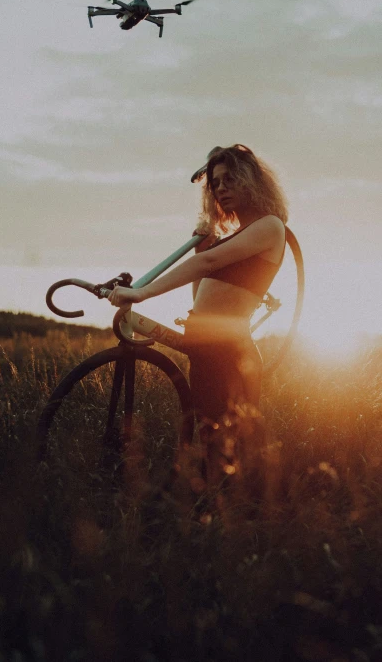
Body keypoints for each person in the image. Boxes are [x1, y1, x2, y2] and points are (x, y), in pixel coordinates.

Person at [108, 144, 288, 501]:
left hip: (230, 353)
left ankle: (242, 531)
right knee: (209, 446)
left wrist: (141, 293)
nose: (221, 188)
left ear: (252, 181)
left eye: (230, 179)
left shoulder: (270, 227)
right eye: (215, 183)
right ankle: (213, 522)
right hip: (206, 345)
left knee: (229, 455)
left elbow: (206, 267)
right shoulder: (232, 238)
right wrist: (200, 250)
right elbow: (203, 292)